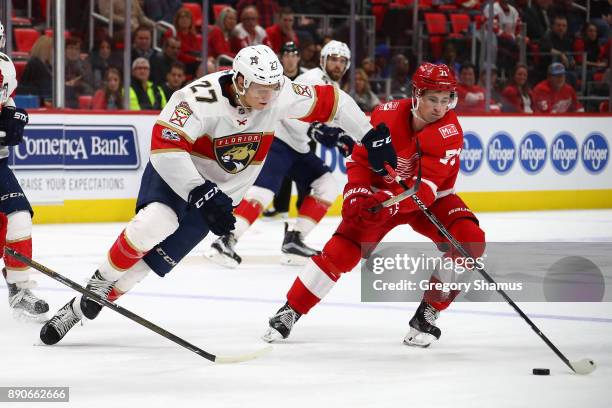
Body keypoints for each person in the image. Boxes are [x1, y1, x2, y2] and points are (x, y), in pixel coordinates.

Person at [38, 44, 396, 345]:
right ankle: (97, 284)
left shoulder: (277, 93)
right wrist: (199, 192)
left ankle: (79, 309)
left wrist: (369, 135)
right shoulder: (198, 97)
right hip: (177, 178)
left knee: (141, 271)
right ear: (240, 80)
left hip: (220, 197)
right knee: (154, 223)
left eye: (274, 88)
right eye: (261, 88)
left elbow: (333, 101)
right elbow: (165, 145)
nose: (269, 96)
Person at [262, 63, 486, 348]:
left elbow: (425, 191)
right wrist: (356, 193)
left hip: (429, 202)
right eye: (433, 99)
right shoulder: (387, 114)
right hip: (383, 196)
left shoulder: (450, 132)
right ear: (417, 95)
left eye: (445, 100)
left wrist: (389, 204)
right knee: (341, 252)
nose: (439, 108)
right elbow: (359, 160)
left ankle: (429, 311)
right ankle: (291, 310)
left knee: (471, 241)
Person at [205, 40, 356, 267]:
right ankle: (226, 240)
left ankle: (294, 239)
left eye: (342, 61)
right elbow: (288, 113)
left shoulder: (333, 88)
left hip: (298, 147)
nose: (337, 64)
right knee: (263, 193)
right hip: (278, 140)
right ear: (323, 60)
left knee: (327, 185)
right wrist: (318, 130)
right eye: (333, 59)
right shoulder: (311, 80)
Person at [0, 22, 48, 321]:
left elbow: (6, 101)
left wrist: (13, 115)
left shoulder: (4, 67)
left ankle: (19, 289)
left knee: (19, 218)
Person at [262, 41, 308, 220]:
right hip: (280, 131)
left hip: (304, 131)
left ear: (298, 57)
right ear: (281, 58)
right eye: (287, 55)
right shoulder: (275, 79)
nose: (290, 59)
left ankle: (303, 207)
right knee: (282, 169)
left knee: (305, 171)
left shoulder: (307, 78)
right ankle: (280, 207)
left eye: (293, 54)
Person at [16, 35, 53, 105]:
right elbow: (31, 86)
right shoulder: (34, 64)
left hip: (47, 98)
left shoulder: (48, 65)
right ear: (45, 49)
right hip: (38, 100)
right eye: (52, 49)